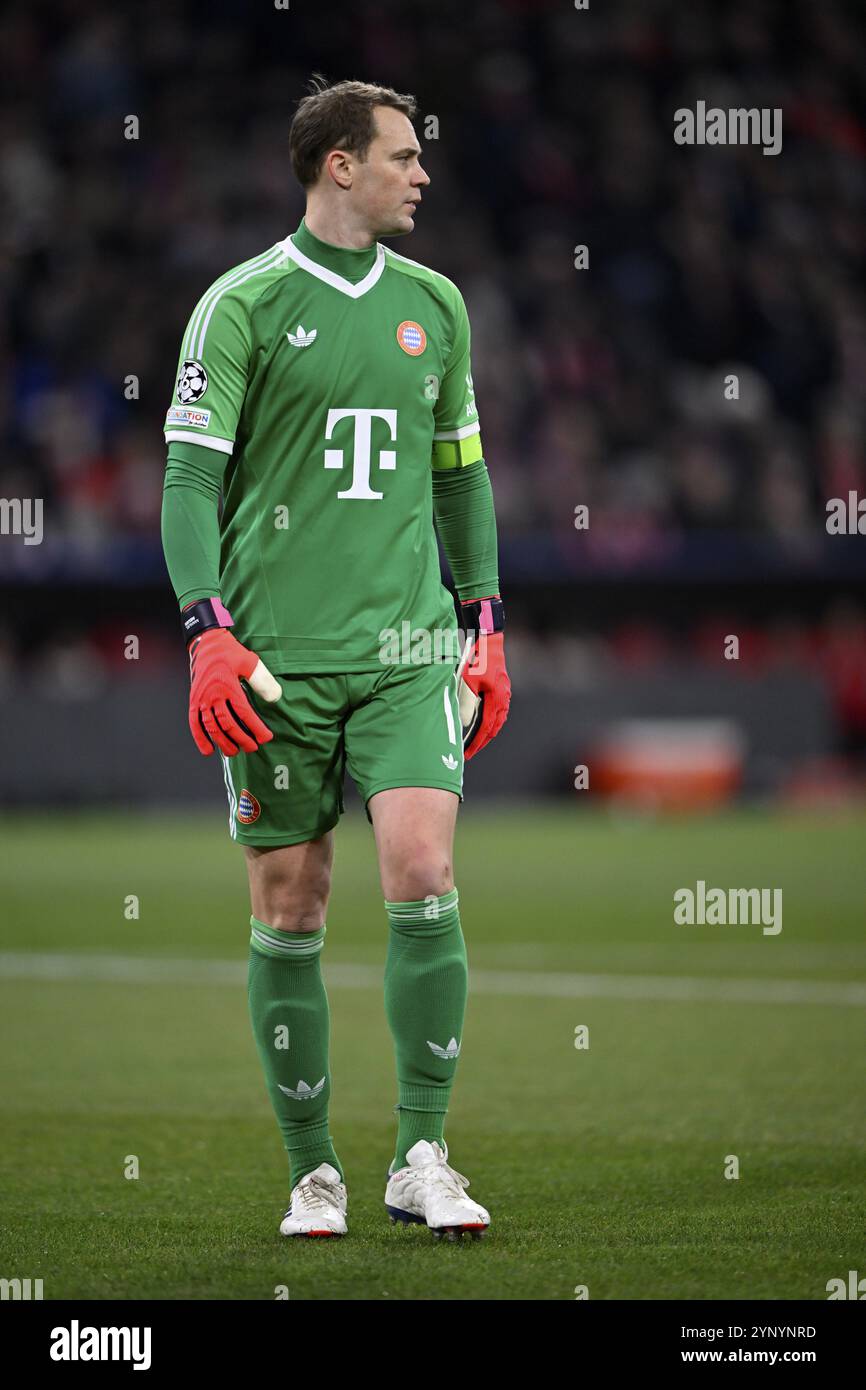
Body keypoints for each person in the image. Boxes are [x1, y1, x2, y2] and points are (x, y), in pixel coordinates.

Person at [160, 77, 511, 1241]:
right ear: (337, 166)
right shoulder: (240, 305)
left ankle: (422, 1150)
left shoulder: (436, 306)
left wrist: (484, 620)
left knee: (423, 867)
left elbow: (459, 474)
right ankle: (314, 1172)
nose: (422, 174)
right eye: (403, 155)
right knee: (291, 900)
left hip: (408, 646)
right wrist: (207, 631)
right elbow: (190, 482)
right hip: (275, 663)